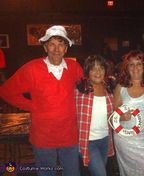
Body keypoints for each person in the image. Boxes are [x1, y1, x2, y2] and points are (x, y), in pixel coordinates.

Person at [0, 25, 83, 176]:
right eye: (52, 44)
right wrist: (32, 105)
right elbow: (6, 91)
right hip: (43, 138)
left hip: (69, 135)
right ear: (45, 47)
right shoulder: (32, 69)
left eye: (61, 44)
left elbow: (84, 92)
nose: (56, 49)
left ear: (66, 48)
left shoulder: (74, 67)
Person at [113, 50, 144, 176]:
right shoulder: (120, 87)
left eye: (138, 64)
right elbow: (114, 114)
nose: (135, 68)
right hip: (125, 139)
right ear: (126, 68)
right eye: (131, 64)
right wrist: (122, 117)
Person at [76, 55, 114, 176]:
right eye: (93, 69)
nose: (98, 72)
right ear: (88, 71)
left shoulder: (109, 89)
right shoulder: (79, 90)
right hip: (88, 142)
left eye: (101, 68)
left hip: (105, 140)